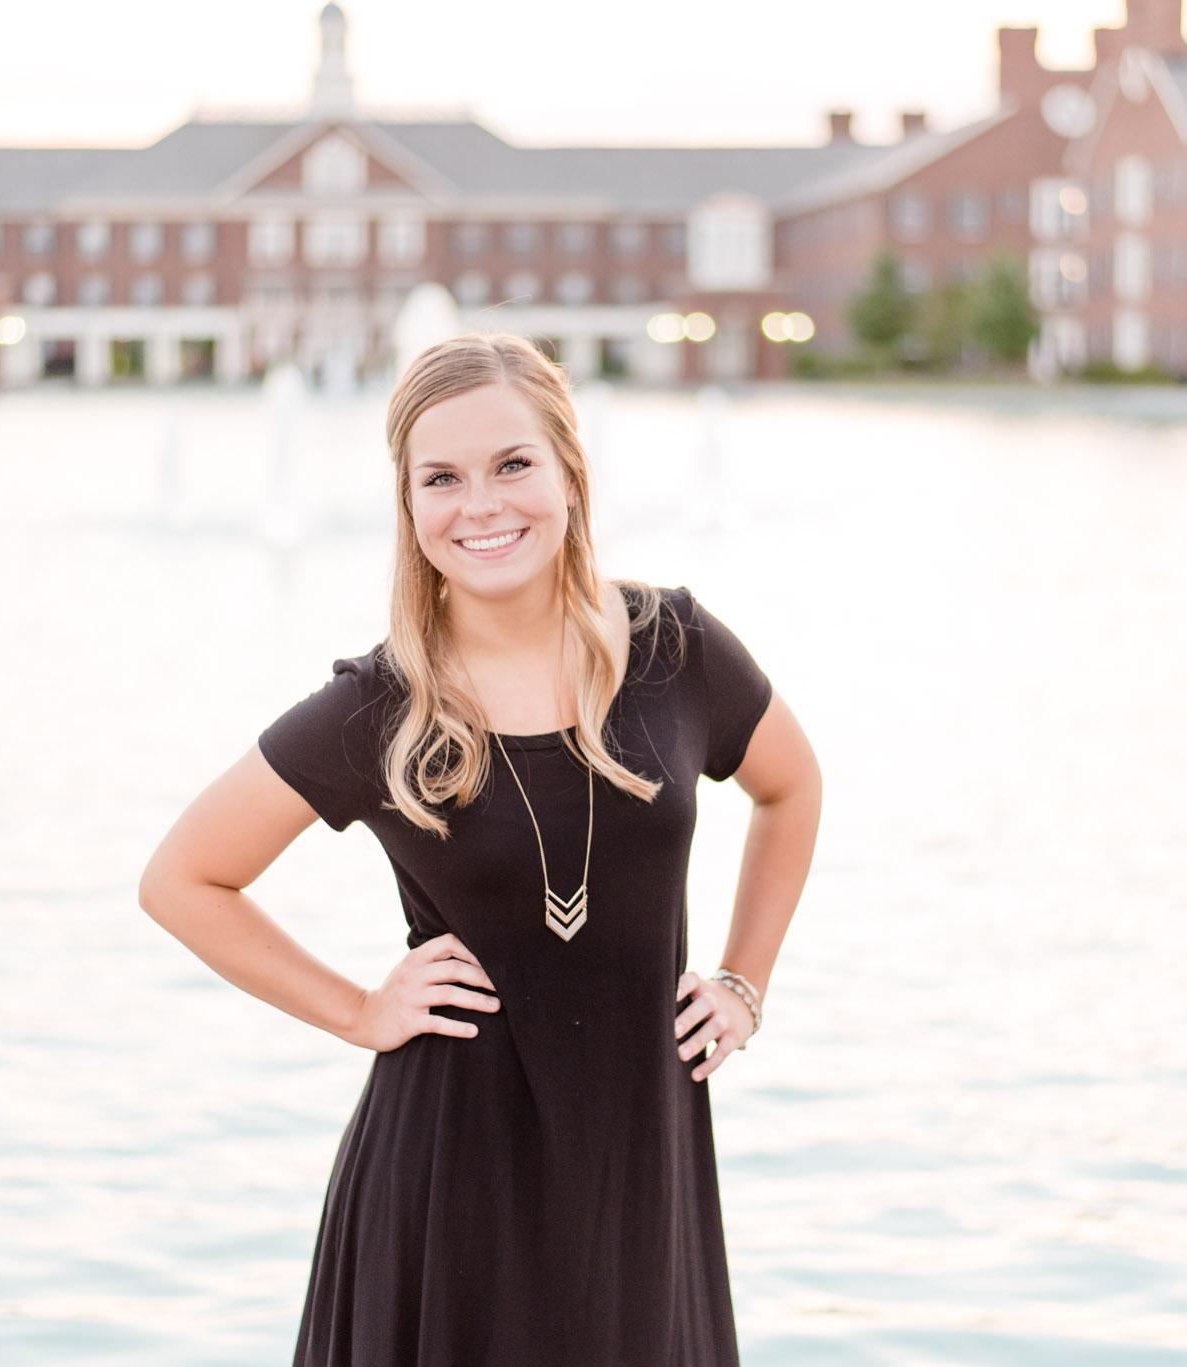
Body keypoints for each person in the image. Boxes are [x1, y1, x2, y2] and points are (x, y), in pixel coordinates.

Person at [137, 332, 823, 1366]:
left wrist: (742, 980)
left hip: (642, 1158)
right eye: (441, 478)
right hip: (450, 1174)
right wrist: (358, 1009)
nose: (482, 505)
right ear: (408, 505)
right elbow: (183, 878)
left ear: (568, 473)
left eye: (512, 464)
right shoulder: (376, 706)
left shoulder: (674, 649)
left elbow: (790, 786)